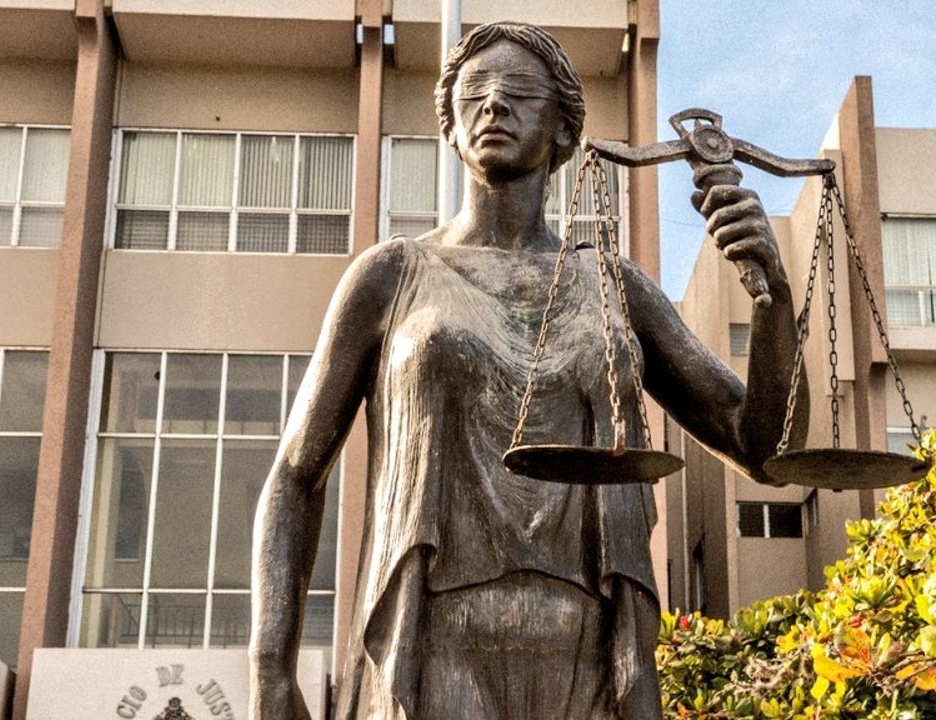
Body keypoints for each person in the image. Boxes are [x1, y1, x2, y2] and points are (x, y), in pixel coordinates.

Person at [249, 21, 806, 720]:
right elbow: (296, 474)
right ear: (450, 127)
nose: (493, 106)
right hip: (434, 638)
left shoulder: (614, 286)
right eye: (475, 95)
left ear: (565, 130)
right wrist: (270, 669)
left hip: (593, 643)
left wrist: (772, 296)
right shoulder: (391, 275)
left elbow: (764, 446)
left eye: (517, 93)